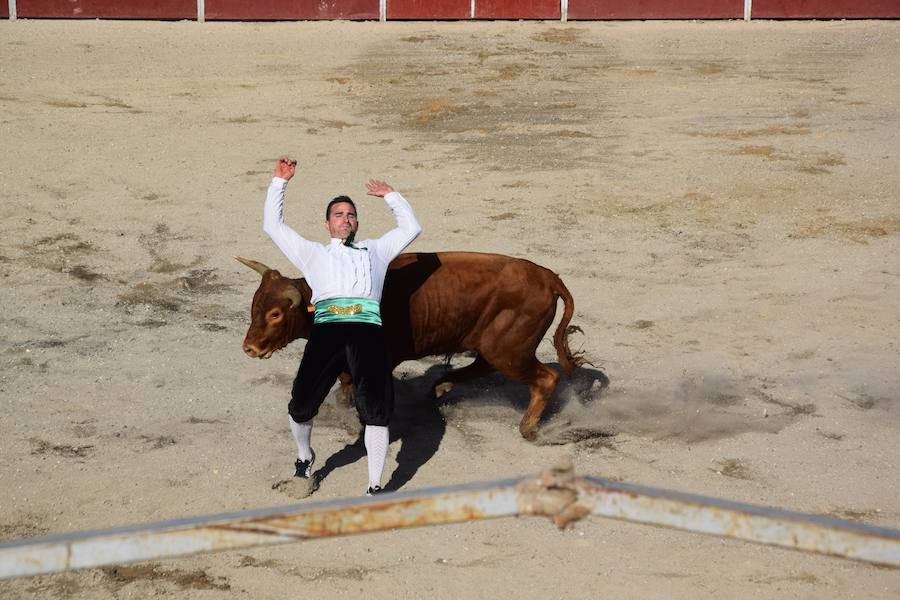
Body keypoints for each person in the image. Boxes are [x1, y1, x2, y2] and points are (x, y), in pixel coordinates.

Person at [262, 156, 422, 495]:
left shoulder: (376, 250)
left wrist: (393, 196)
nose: (345, 219)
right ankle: (304, 458)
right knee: (302, 403)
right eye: (338, 215)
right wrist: (280, 183)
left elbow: (411, 229)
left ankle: (375, 485)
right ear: (327, 224)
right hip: (327, 329)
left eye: (350, 214)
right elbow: (273, 227)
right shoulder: (312, 253)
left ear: (357, 222)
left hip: (368, 330)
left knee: (376, 409)